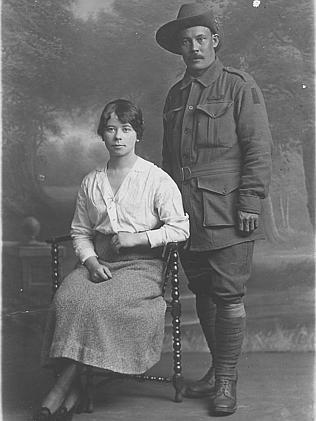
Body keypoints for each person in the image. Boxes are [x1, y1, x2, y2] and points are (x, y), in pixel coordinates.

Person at [33, 99, 189, 420]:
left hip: (142, 266)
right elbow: (79, 231)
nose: (118, 136)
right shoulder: (92, 181)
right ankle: (75, 385)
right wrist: (89, 262)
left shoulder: (155, 179)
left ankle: (63, 389)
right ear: (102, 135)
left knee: (98, 305)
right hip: (99, 261)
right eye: (111, 129)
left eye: (126, 129)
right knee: (68, 299)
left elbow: (180, 228)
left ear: (137, 135)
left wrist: (140, 237)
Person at [156, 3, 272, 415]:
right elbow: (169, 159)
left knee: (228, 294)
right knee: (202, 291)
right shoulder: (176, 94)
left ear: (214, 41)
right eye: (186, 42)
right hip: (186, 211)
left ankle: (226, 379)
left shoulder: (239, 85)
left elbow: (258, 148)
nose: (194, 48)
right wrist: (167, 210)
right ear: (180, 50)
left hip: (228, 208)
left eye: (201, 39)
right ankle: (216, 369)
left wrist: (250, 201)